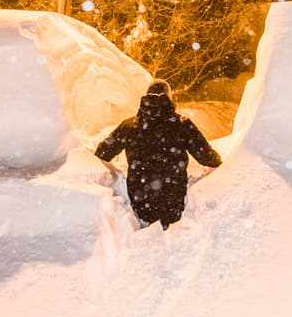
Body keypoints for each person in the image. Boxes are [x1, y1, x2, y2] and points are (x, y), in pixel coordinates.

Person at [94, 80, 222, 228]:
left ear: (146, 97)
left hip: (141, 202)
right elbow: (206, 156)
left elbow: (103, 153)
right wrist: (226, 165)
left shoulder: (130, 125)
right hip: (173, 201)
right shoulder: (182, 124)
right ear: (170, 98)